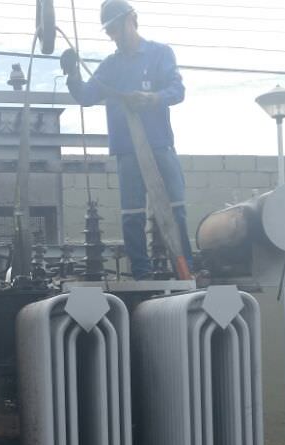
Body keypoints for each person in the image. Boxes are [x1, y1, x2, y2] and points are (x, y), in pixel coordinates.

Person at [60, 0, 191, 279]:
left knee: (175, 208)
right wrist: (72, 74)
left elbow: (177, 90)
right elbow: (86, 96)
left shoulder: (159, 54)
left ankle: (185, 271)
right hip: (128, 150)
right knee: (132, 214)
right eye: (109, 32)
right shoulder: (111, 66)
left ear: (132, 18)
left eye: (116, 28)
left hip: (159, 144)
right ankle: (142, 275)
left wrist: (152, 98)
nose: (113, 36)